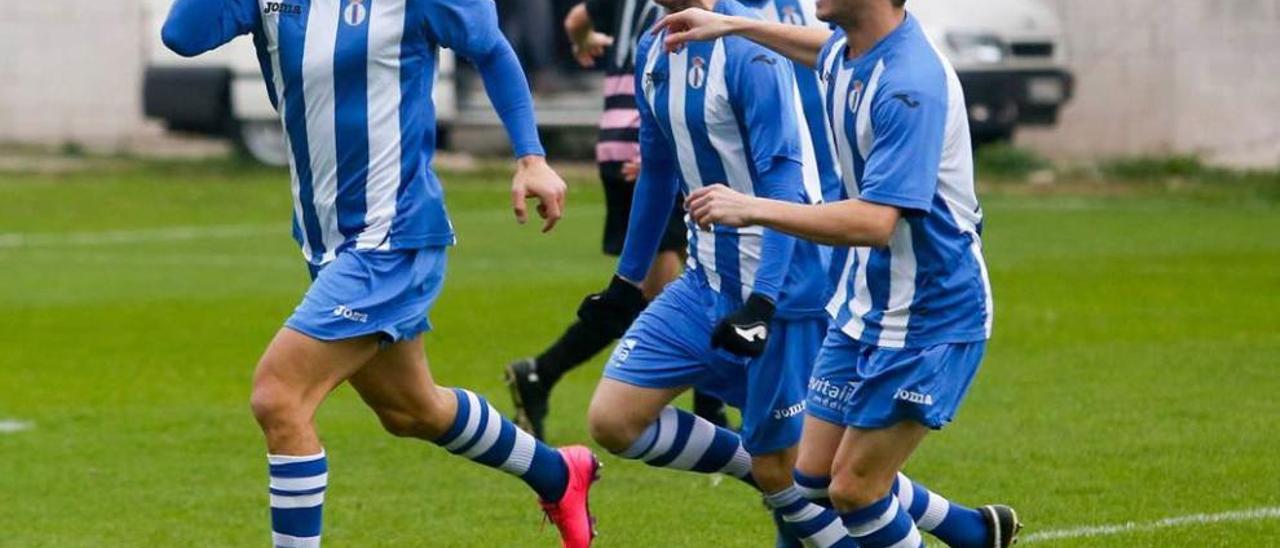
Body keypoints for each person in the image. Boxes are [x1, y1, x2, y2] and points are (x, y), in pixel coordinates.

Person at [160, 0, 600, 546]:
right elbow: (182, 35)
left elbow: (489, 47)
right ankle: (560, 475)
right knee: (411, 410)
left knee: (279, 397)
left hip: (392, 235)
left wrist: (531, 158)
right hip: (328, 242)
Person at [657, 0, 1022, 546]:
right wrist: (732, 25)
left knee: (856, 489)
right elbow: (818, 48)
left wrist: (752, 207)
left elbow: (876, 222)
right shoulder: (853, 50)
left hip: (931, 311)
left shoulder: (909, 85)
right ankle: (970, 531)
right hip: (863, 302)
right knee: (811, 477)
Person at [576, 0, 843, 540]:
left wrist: (764, 301)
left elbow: (784, 180)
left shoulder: (750, 53)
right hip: (703, 282)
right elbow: (655, 172)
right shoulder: (654, 47)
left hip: (785, 291)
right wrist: (626, 284)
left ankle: (955, 528)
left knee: (810, 472)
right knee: (615, 418)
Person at [504, 0, 730, 442]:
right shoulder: (680, 9)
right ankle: (543, 374)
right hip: (647, 144)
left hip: (624, 136)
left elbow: (575, 19)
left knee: (668, 289)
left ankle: (542, 375)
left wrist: (585, 41)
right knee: (670, 297)